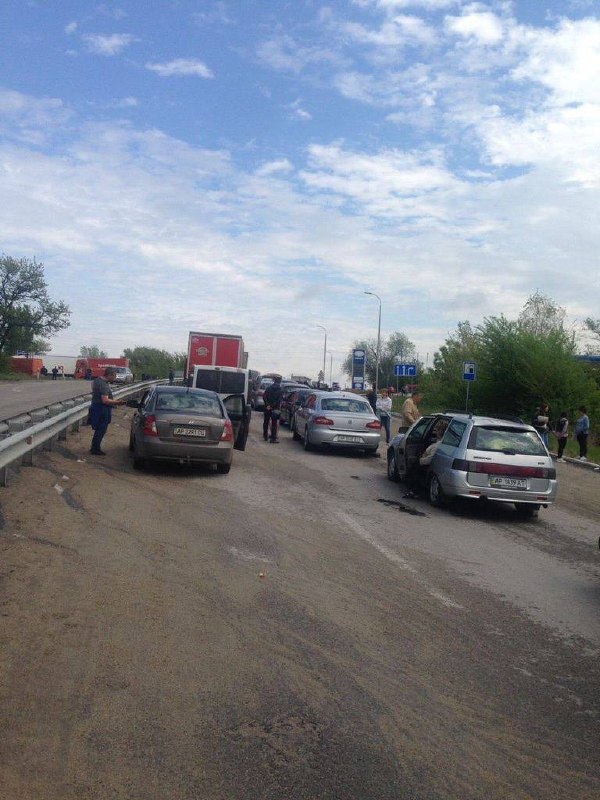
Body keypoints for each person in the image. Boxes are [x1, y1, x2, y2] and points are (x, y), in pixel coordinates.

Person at [89, 367, 126, 455]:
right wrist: (118, 402)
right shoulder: (104, 385)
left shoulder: (97, 380)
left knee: (98, 428)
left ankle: (94, 447)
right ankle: (95, 449)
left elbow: (92, 384)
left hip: (95, 406)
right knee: (101, 429)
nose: (115, 378)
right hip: (102, 409)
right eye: (114, 376)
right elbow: (105, 400)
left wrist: (96, 394)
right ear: (109, 375)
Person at [263, 375, 283, 443]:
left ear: (274, 381)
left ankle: (265, 435)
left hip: (267, 407)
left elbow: (264, 396)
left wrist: (267, 405)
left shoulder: (268, 388)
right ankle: (273, 438)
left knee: (266, 421)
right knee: (274, 423)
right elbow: (279, 400)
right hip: (275, 409)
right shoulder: (280, 390)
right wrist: (272, 406)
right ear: (280, 381)